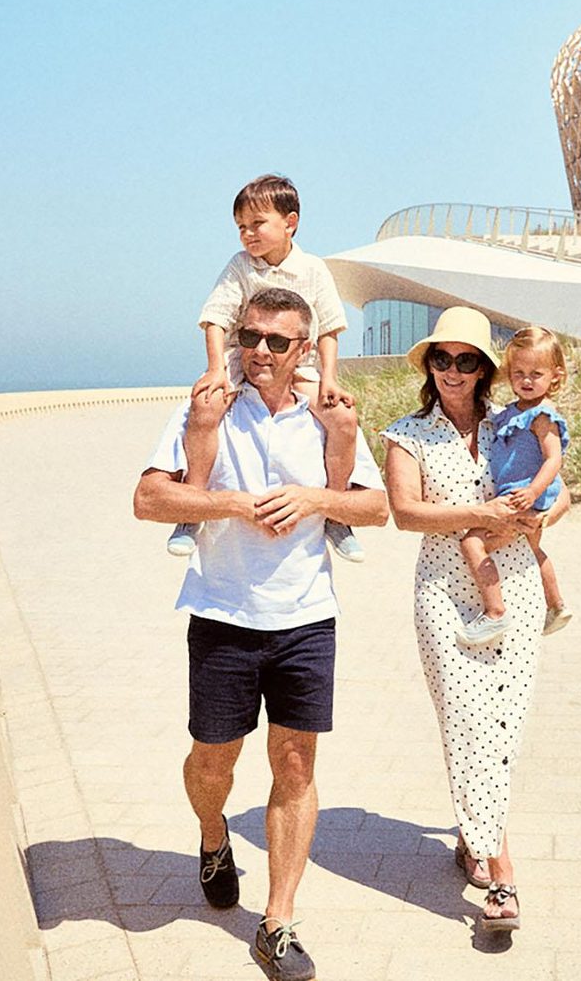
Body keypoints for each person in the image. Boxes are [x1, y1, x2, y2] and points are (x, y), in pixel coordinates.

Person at [133, 286, 388, 980]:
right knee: (214, 760)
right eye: (251, 336)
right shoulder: (208, 407)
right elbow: (149, 498)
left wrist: (314, 498)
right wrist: (234, 504)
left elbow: (375, 506)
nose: (261, 351)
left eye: (279, 341)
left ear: (305, 348)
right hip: (223, 611)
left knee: (296, 762)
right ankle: (213, 835)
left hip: (306, 616)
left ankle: (277, 921)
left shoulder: (326, 416)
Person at [381, 306, 569, 934]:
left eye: (466, 360)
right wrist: (481, 512)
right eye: (442, 359)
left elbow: (561, 486)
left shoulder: (515, 419)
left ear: (486, 367)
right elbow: (405, 514)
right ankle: (502, 873)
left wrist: (544, 516)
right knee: (467, 722)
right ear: (428, 366)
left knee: (503, 726)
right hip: (443, 591)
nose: (453, 371)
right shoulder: (407, 433)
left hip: (513, 586)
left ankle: (474, 832)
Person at [167, 175, 364, 563]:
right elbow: (216, 319)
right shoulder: (241, 266)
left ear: (290, 222)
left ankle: (337, 512)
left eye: (257, 224)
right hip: (243, 358)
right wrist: (216, 371)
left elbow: (329, 329)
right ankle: (193, 507)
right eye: (241, 227)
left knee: (342, 419)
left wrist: (329, 379)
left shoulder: (314, 269)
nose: (247, 234)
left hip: (299, 363)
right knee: (206, 407)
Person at [457, 326, 573, 647]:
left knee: (472, 544)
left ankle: (495, 611)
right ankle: (556, 604)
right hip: (519, 494)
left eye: (536, 373)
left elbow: (553, 460)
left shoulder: (542, 416)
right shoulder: (511, 412)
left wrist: (534, 493)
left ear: (555, 376)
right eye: (518, 372)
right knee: (533, 549)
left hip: (523, 496)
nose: (526, 380)